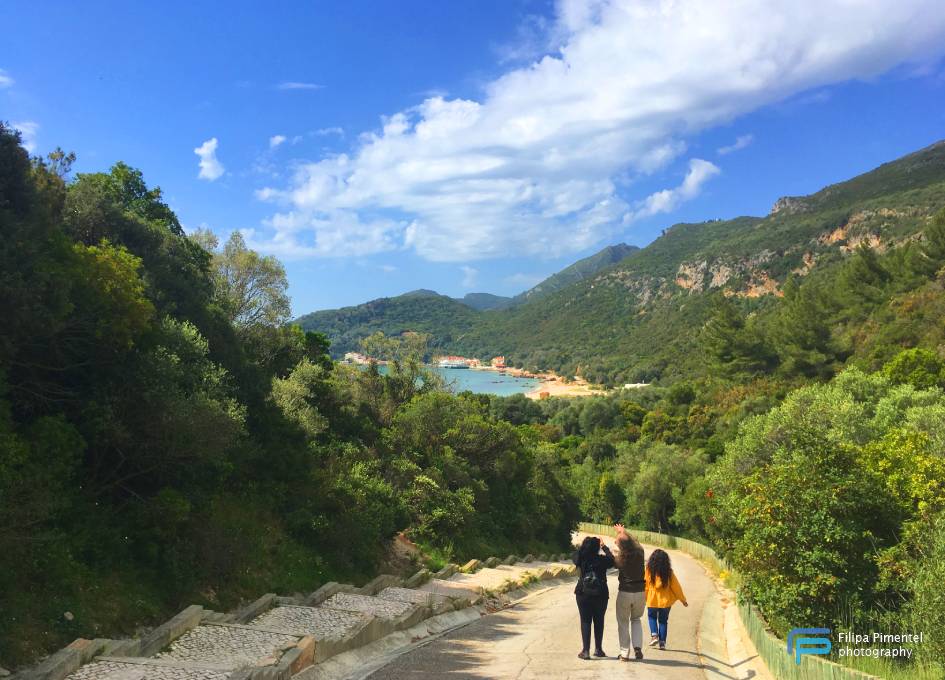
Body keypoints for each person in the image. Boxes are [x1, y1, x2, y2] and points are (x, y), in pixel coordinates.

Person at [573, 535, 614, 660]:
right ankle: (598, 649)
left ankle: (586, 651)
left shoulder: (581, 558)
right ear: (597, 548)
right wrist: (604, 547)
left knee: (585, 621)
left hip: (583, 592)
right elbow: (612, 560)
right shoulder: (602, 560)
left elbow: (575, 556)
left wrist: (584, 545)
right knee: (599, 620)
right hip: (600, 593)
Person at [612, 523, 646, 661]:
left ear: (621, 547)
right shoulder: (640, 552)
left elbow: (612, 555)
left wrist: (606, 546)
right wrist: (624, 532)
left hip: (625, 592)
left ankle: (624, 653)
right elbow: (635, 542)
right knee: (636, 619)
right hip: (640, 592)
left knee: (623, 623)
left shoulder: (620, 559)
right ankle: (637, 648)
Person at [644, 548, 688, 650]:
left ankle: (654, 635)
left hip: (652, 600)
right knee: (663, 621)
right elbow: (676, 587)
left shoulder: (648, 570)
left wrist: (645, 597)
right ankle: (662, 643)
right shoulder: (669, 572)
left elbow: (645, 585)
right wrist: (683, 600)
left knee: (652, 618)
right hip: (665, 602)